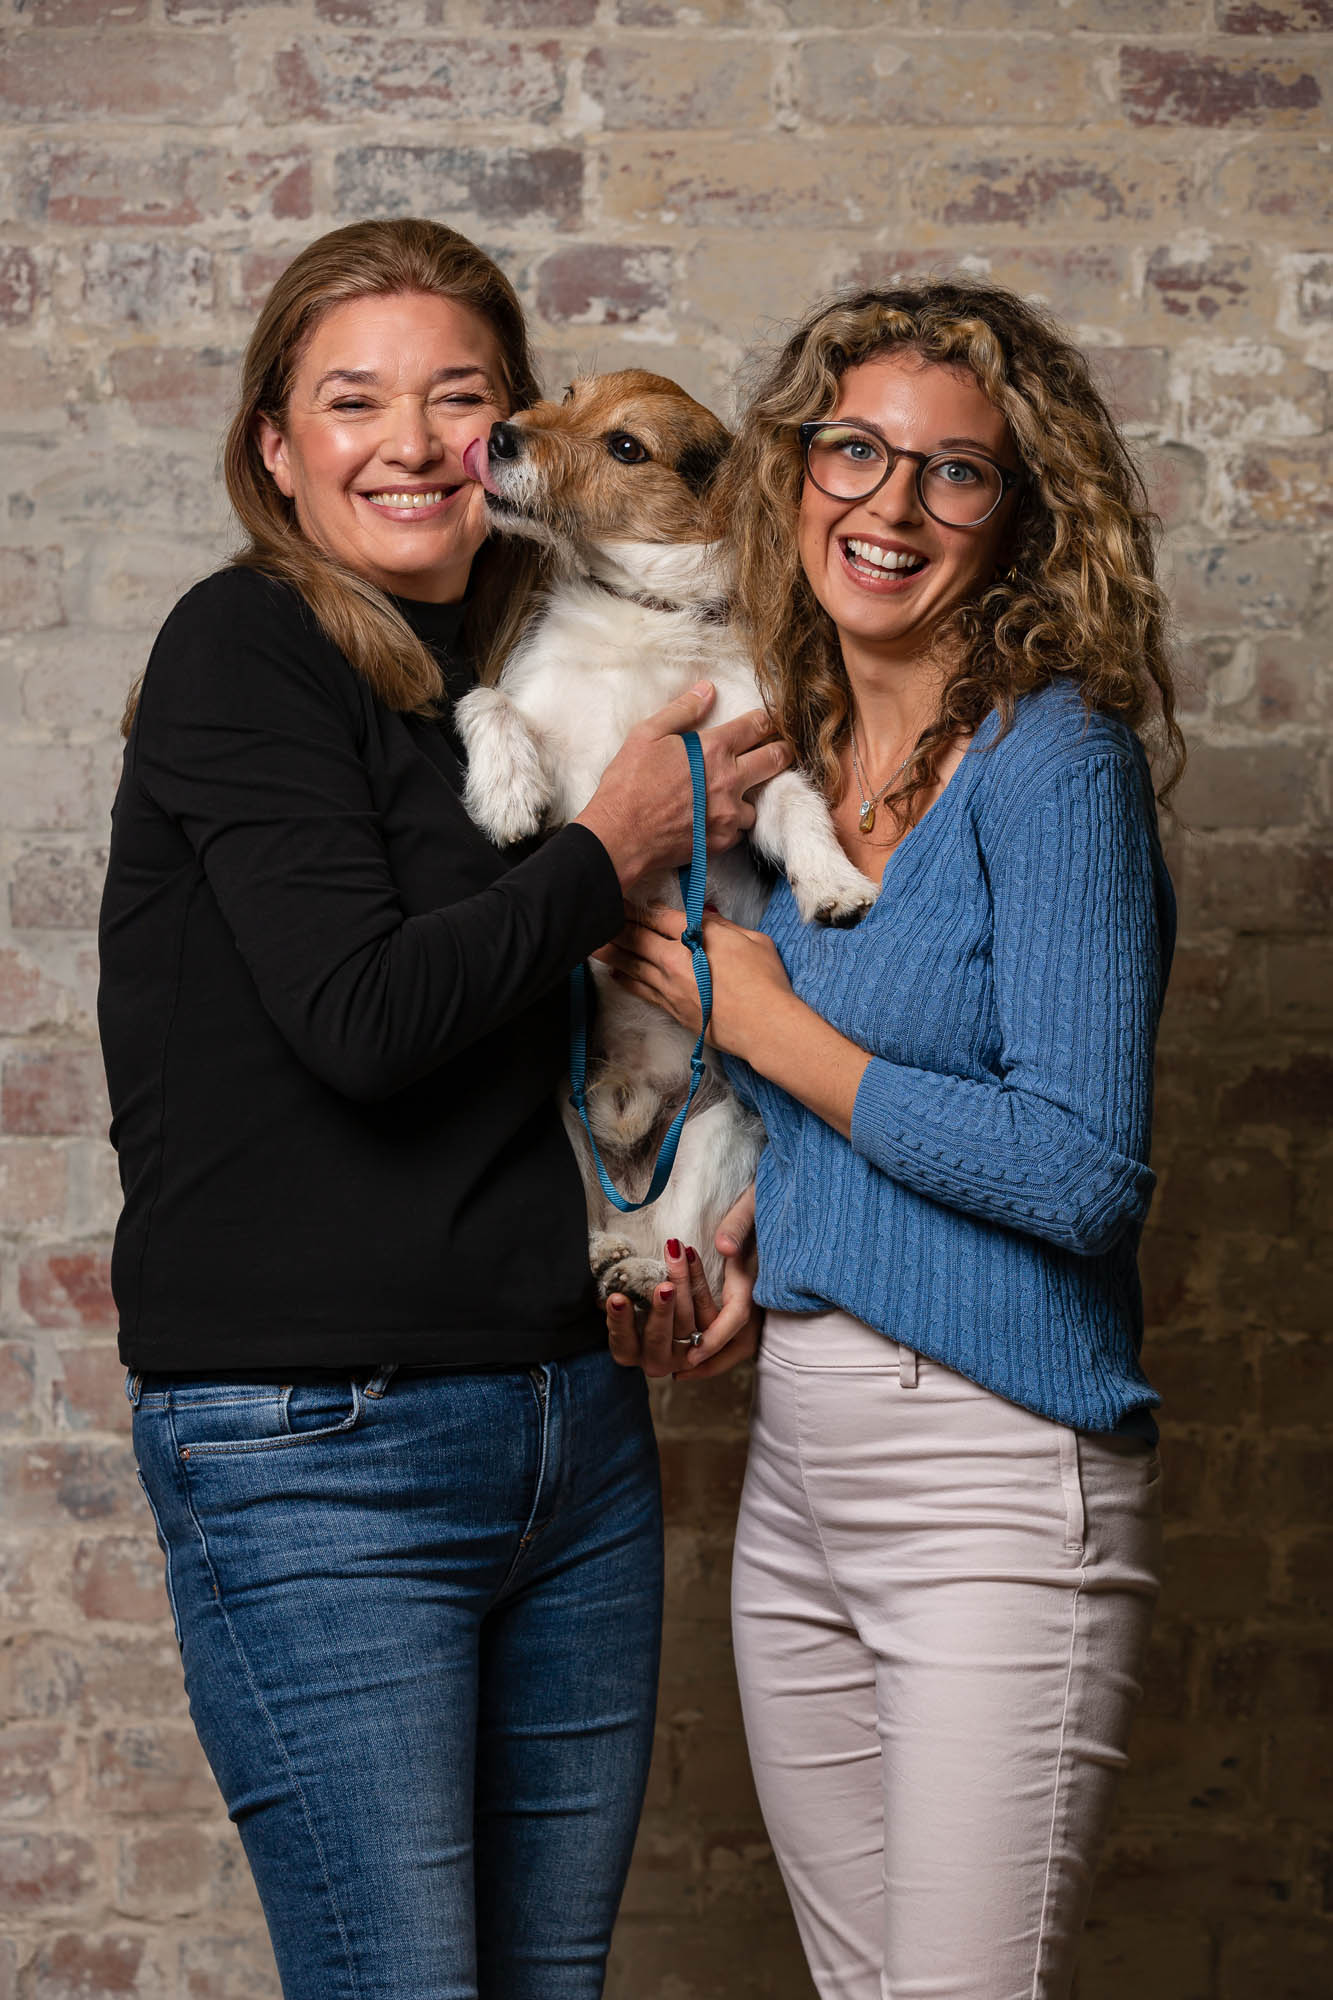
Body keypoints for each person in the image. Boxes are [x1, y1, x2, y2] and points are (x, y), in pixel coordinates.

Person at [99, 217, 780, 2000]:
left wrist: (714, 1231)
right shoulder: (242, 651)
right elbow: (363, 1022)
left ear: (516, 433)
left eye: (459, 397)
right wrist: (610, 846)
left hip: (567, 1421)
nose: (412, 442)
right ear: (275, 447)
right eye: (352, 401)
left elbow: (657, 1014)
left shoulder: (540, 665)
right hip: (319, 1444)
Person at [601, 281, 1183, 1999]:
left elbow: (1078, 1172)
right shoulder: (792, 754)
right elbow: (851, 1130)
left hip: (992, 1485)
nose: (890, 504)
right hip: (803, 1473)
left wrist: (767, 1020)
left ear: (1019, 518)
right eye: (853, 450)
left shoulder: (1050, 760)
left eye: (954, 473)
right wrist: (755, 1248)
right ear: (790, 475)